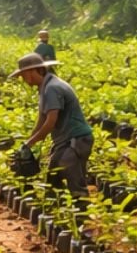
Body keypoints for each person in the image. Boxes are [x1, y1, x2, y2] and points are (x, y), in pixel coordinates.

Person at [13, 53, 94, 196]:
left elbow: (51, 121)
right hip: (65, 140)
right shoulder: (45, 87)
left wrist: (30, 143)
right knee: (53, 177)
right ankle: (56, 210)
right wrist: (28, 143)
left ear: (33, 72)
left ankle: (81, 212)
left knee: (72, 175)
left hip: (76, 139)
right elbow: (42, 119)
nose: (23, 80)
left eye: (24, 75)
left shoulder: (52, 88)